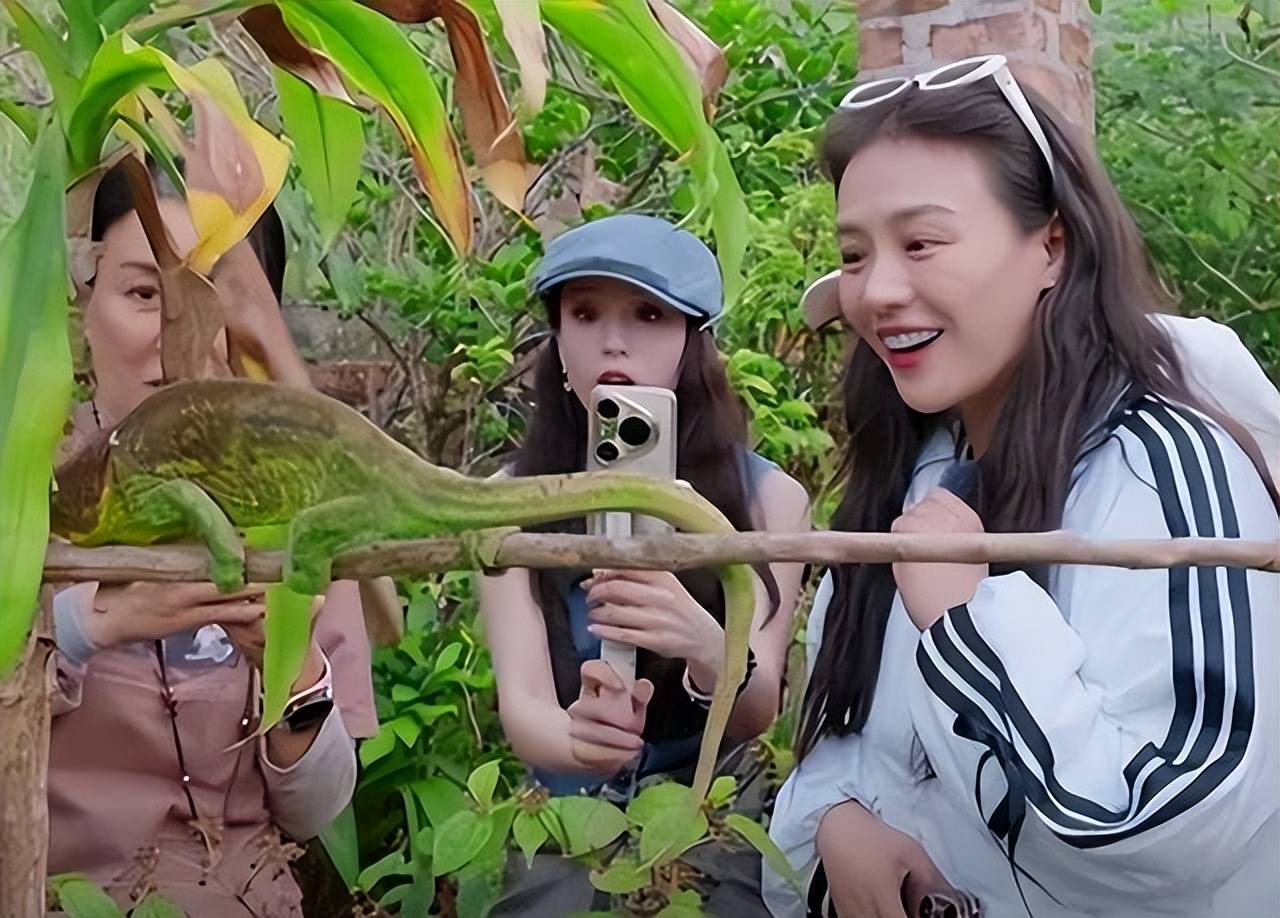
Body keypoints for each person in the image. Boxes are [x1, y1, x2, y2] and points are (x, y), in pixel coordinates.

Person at [764, 54, 1279, 918]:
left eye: (921, 243)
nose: (877, 291)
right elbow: (847, 743)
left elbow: (1175, 831)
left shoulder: (1168, 473)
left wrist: (966, 623)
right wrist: (834, 825)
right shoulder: (913, 477)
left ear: (1051, 246)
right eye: (854, 254)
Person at [47, 161, 380, 917]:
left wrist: (294, 671)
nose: (181, 337)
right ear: (84, 302)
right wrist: (86, 627)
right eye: (144, 294)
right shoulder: (26, 489)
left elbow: (316, 811)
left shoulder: (300, 502)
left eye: (216, 299)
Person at [481, 215, 811, 914]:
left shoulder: (769, 499)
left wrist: (706, 646)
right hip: (567, 817)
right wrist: (581, 741)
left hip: (709, 811)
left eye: (649, 314)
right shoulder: (509, 499)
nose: (613, 340)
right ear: (556, 338)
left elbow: (758, 707)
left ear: (694, 340)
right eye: (584, 314)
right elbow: (524, 704)